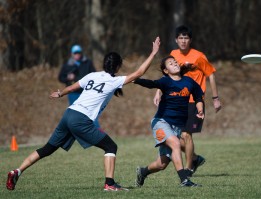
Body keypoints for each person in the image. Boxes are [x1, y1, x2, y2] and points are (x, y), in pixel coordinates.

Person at [6, 37, 160, 192]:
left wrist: (60, 94)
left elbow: (72, 88)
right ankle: (110, 184)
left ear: (104, 64)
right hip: (80, 119)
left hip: (69, 114)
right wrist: (153, 53)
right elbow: (139, 72)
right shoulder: (115, 81)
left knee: (48, 149)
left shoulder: (92, 75)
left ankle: (17, 171)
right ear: (118, 66)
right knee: (110, 146)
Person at [153, 25, 222, 176]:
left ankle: (189, 169)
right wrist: (159, 92)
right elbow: (167, 76)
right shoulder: (173, 54)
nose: (183, 41)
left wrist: (215, 98)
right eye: (181, 38)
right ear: (176, 40)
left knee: (186, 135)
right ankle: (195, 158)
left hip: (194, 101)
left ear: (190, 40)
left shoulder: (198, 56)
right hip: (176, 102)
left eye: (186, 38)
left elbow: (210, 74)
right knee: (177, 138)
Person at [134, 55, 204, 187]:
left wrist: (200, 108)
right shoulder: (165, 81)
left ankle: (142, 172)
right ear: (166, 70)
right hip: (161, 122)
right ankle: (184, 180)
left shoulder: (189, 81)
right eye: (171, 63)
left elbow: (198, 96)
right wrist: (136, 80)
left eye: (175, 62)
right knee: (176, 144)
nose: (175, 64)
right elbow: (152, 84)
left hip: (177, 126)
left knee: (162, 164)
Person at [58, 45, 100, 127]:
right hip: (73, 93)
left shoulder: (87, 62)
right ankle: (78, 131)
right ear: (72, 54)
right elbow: (60, 77)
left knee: (90, 113)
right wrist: (67, 78)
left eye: (78, 53)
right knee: (75, 114)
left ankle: (97, 131)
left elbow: (94, 76)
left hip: (86, 93)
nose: (77, 55)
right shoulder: (67, 65)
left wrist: (76, 78)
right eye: (75, 53)